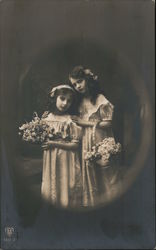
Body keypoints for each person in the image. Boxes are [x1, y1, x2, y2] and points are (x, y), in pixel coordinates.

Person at [69, 66, 115, 207]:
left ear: (88, 79)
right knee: (90, 170)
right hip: (85, 141)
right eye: (75, 84)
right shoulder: (79, 101)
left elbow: (108, 124)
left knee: (105, 171)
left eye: (80, 81)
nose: (78, 86)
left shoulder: (100, 99)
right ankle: (93, 203)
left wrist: (85, 122)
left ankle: (111, 201)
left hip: (100, 139)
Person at [41, 84, 82, 208]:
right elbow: (42, 138)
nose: (65, 103)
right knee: (52, 185)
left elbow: (75, 145)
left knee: (65, 184)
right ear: (55, 98)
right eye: (62, 99)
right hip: (50, 158)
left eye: (69, 101)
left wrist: (54, 143)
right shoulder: (46, 118)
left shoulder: (71, 120)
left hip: (67, 158)